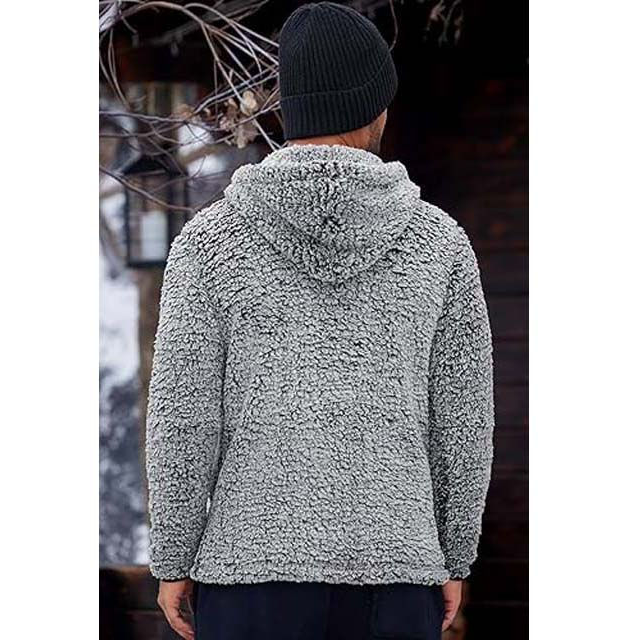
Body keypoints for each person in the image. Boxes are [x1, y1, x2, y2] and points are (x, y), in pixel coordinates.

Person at [146, 3, 494, 639]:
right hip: (396, 573)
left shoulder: (209, 243)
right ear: (376, 107)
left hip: (250, 576)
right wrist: (454, 552)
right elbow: (462, 420)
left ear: (292, 110)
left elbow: (183, 417)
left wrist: (173, 556)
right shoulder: (440, 244)